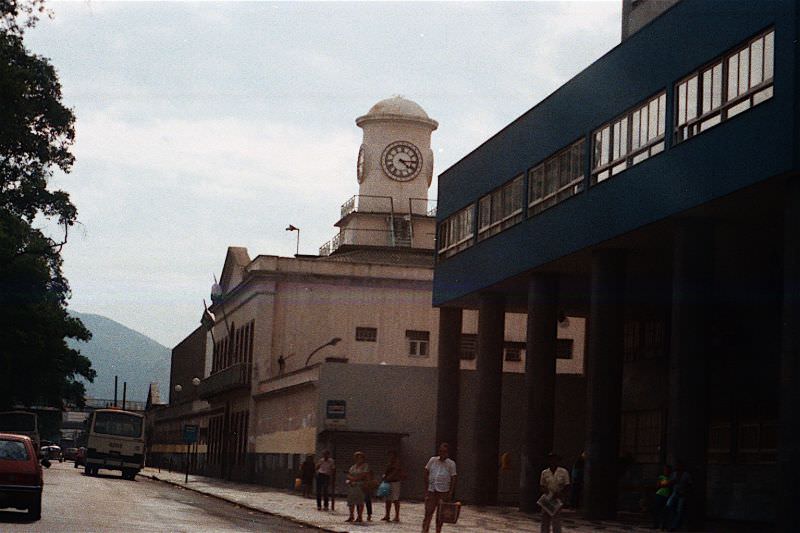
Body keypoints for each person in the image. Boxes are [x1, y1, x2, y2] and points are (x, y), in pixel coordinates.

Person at [422, 442, 457, 533]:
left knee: (441, 515)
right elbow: (426, 472)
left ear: (448, 452)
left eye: (444, 451)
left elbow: (453, 478)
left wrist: (450, 492)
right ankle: (425, 530)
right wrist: (427, 487)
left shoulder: (451, 464)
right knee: (428, 513)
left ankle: (438, 531)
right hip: (432, 490)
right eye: (440, 451)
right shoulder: (433, 460)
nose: (442, 453)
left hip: (443, 492)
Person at [539, 452, 570, 533]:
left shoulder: (563, 472)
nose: (552, 461)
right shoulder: (544, 472)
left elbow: (567, 485)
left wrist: (561, 494)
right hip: (547, 498)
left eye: (554, 459)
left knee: (556, 520)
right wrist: (547, 492)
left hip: (558, 498)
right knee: (545, 519)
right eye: (550, 459)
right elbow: (542, 485)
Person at [345, 451, 370, 523]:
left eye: (360, 457)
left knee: (359, 501)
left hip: (360, 485)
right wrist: (350, 479)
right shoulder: (353, 466)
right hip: (352, 485)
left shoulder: (365, 466)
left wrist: (354, 479)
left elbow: (364, 475)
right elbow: (348, 474)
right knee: (351, 501)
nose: (358, 459)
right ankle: (351, 516)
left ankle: (359, 516)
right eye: (357, 457)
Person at [666, 462, 692, 532]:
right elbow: (670, 482)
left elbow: (690, 484)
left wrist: (686, 491)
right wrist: (672, 482)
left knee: (679, 511)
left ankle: (674, 526)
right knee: (669, 505)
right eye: (677, 466)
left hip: (682, 494)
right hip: (675, 493)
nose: (678, 467)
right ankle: (672, 522)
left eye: (679, 466)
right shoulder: (674, 474)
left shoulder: (686, 474)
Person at [381, 449, 404, 522]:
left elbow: (395, 471)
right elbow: (386, 472)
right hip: (388, 482)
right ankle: (387, 515)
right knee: (388, 499)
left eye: (391, 455)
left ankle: (397, 516)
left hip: (395, 482)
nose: (390, 456)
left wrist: (388, 477)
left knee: (395, 499)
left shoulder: (396, 463)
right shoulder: (389, 463)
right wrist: (384, 476)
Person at [652, 464, 672, 530]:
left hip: (666, 496)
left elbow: (670, 486)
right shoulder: (661, 477)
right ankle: (656, 525)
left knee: (665, 511)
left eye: (667, 470)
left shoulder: (671, 477)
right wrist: (665, 484)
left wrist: (667, 484)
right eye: (665, 470)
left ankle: (664, 526)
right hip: (659, 494)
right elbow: (658, 486)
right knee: (657, 510)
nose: (666, 471)